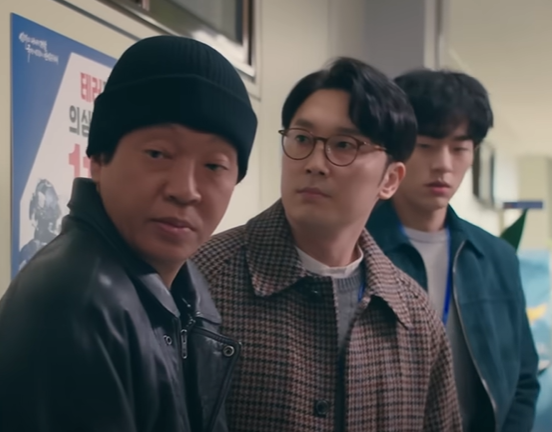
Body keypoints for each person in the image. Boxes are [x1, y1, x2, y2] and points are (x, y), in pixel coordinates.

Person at [0, 35, 257, 432]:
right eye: (158, 154)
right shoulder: (74, 307)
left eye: (214, 166)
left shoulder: (186, 289)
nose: (185, 190)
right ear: (98, 159)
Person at [193, 58, 462, 431]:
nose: (315, 163)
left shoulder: (414, 318)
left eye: (344, 145)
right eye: (302, 139)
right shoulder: (202, 279)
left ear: (390, 179)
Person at [366, 69, 540, 432]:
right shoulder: (357, 247)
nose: (444, 164)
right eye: (425, 145)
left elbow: (523, 378)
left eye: (460, 148)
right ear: (394, 148)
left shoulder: (495, 257)